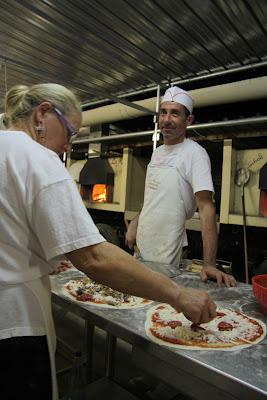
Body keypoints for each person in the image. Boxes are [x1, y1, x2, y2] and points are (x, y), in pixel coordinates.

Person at [0, 83, 217, 400]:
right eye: (70, 132)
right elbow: (93, 259)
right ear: (42, 114)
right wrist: (179, 295)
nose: (68, 147)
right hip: (13, 322)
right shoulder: (38, 157)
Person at [125, 86, 236, 288]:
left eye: (175, 113)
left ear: (189, 121)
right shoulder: (157, 152)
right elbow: (155, 197)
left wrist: (209, 264)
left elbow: (206, 207)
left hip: (166, 252)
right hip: (141, 247)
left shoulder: (195, 153)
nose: (166, 119)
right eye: (163, 112)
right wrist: (135, 222)